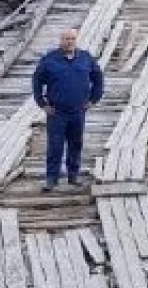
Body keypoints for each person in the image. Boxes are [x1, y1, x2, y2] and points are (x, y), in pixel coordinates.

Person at [32, 28, 104, 192]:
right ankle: (51, 179)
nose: (69, 42)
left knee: (75, 144)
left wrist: (94, 99)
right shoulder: (50, 59)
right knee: (55, 145)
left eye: (72, 39)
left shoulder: (85, 58)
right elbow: (37, 81)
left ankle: (73, 175)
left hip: (78, 111)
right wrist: (42, 104)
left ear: (76, 40)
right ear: (61, 40)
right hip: (57, 112)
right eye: (66, 39)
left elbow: (98, 78)